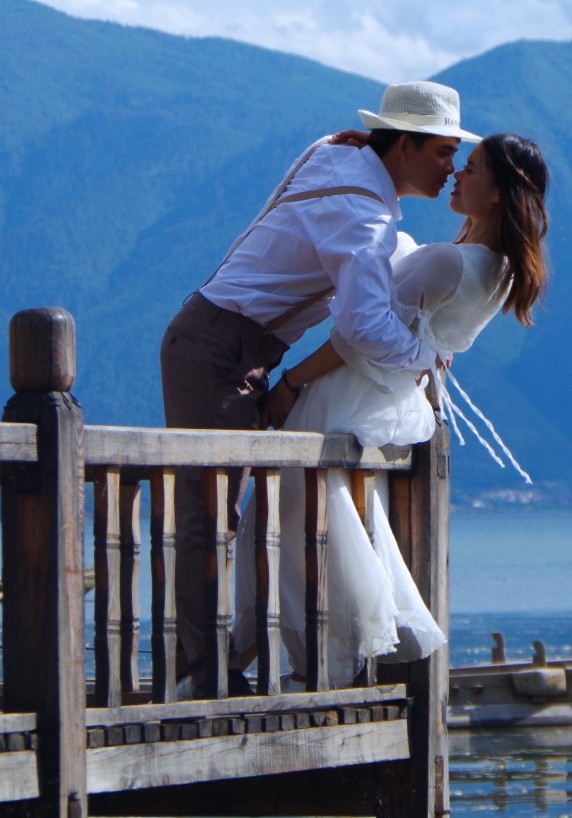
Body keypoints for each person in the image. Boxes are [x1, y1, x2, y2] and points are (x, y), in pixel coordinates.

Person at [157, 80, 477, 694]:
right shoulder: (364, 216)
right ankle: (201, 678)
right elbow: (363, 324)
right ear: (403, 146)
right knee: (210, 515)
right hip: (218, 349)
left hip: (229, 344)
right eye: (441, 151)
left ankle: (214, 666)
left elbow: (322, 148)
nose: (451, 166)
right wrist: (426, 357)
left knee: (218, 513)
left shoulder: (338, 157)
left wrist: (349, 140)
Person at [247, 133, 550, 684]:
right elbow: (432, 348)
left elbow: (355, 337)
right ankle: (318, 659)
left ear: (500, 193)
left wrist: (291, 382)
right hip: (386, 409)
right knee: (329, 529)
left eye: (474, 168)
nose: (458, 172)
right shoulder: (499, 274)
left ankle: (299, 659)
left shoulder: (446, 264)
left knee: (290, 528)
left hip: (343, 396)